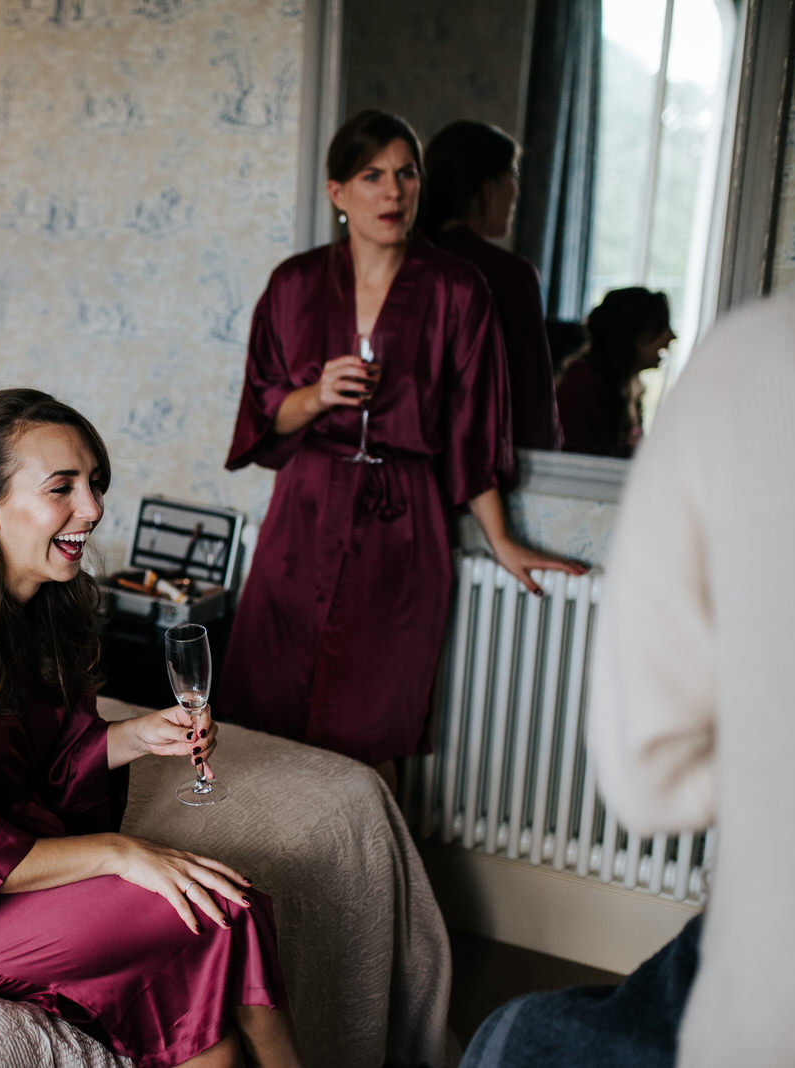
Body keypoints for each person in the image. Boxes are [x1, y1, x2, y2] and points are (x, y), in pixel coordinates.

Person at [0, 388, 301, 1068]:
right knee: (226, 909)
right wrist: (120, 851)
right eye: (62, 488)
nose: (95, 510)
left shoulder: (45, 600)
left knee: (206, 979)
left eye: (94, 484)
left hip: (7, 865)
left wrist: (136, 735)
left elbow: (40, 763)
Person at [462, 290, 795, 1066]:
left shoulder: (763, 361)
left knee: (509, 1038)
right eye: (659, 330)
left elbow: (646, 781)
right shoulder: (593, 387)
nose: (669, 342)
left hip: (777, 1015)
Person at [218, 109, 583, 788]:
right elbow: (266, 406)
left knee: (368, 733)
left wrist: (501, 540)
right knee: (262, 714)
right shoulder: (294, 286)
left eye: (406, 174)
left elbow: (475, 426)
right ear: (338, 193)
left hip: (403, 525)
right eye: (372, 176)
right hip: (303, 513)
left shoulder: (456, 289)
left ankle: (362, 882)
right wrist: (320, 395)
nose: (392, 192)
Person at [419, 119, 563, 451]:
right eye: (511, 175)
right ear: (486, 186)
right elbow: (534, 403)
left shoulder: (404, 260)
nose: (516, 191)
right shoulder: (511, 276)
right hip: (486, 463)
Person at [555, 287, 675, 458]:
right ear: (631, 334)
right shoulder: (582, 384)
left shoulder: (628, 388)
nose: (671, 336)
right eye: (660, 327)